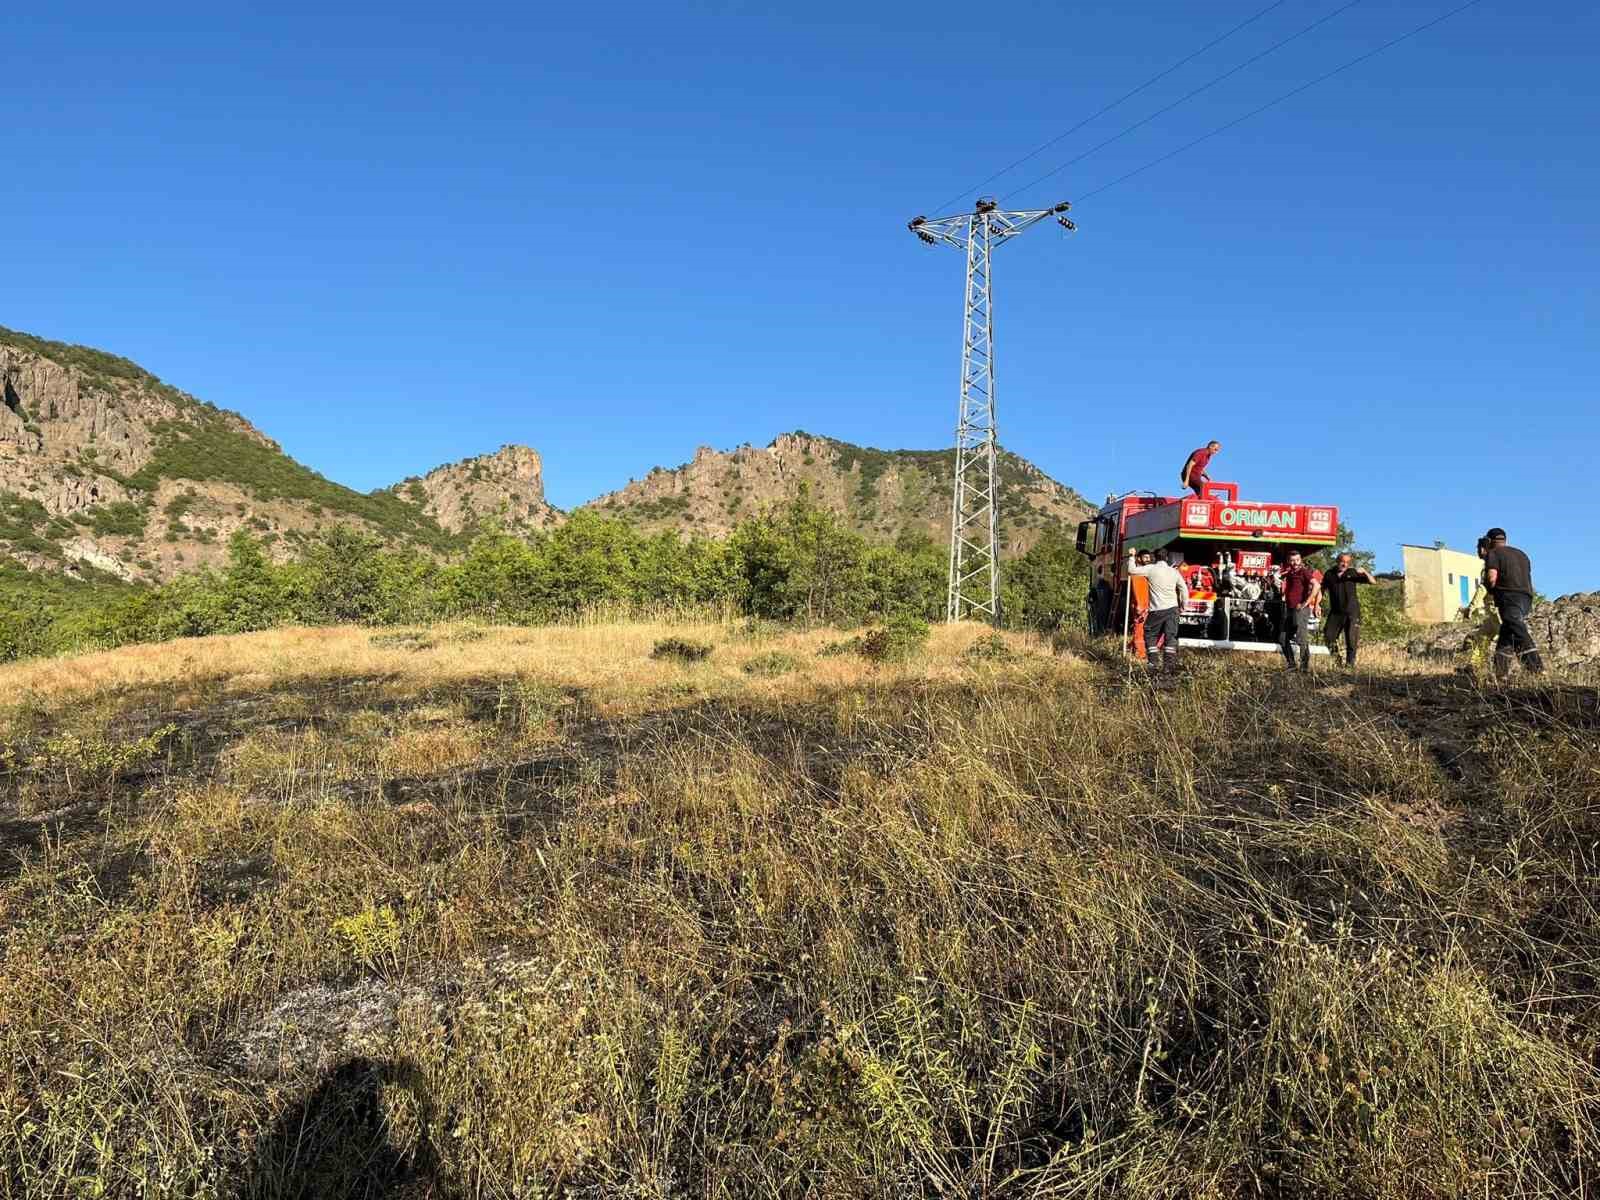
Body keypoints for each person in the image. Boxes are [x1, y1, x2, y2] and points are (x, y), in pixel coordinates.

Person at [1481, 527, 1545, 677]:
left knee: (1516, 627)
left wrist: (1490, 590)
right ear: (1505, 540)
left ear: (1489, 541)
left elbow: (1492, 577)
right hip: (1527, 597)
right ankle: (1500, 673)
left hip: (1508, 596)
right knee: (1507, 633)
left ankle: (1537, 668)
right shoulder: (1522, 554)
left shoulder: (1493, 553)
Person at [1126, 546, 1187, 675]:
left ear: (1154, 558)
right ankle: (1168, 666)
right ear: (1166, 558)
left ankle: (1153, 663)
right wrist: (1183, 604)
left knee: (1150, 634)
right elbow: (1183, 588)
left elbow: (1131, 571)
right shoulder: (1174, 572)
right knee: (1170, 636)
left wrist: (1132, 556)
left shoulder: (1150, 569)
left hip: (1157, 610)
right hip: (1172, 609)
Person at [1321, 553, 1376, 667]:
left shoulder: (1352, 573)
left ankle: (1350, 665)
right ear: (1337, 561)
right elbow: (1322, 589)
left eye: (1347, 562)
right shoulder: (1329, 574)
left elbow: (1372, 581)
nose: (1344, 564)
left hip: (1352, 612)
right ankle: (1337, 661)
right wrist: (1317, 605)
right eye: (1342, 561)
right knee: (1328, 636)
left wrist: (1364, 571)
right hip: (1336, 612)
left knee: (1351, 640)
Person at [1278, 550, 1320, 672]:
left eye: (1297, 560)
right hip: (1290, 609)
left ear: (1300, 560)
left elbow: (1316, 586)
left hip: (1301, 610)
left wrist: (1305, 603)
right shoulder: (1290, 573)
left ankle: (1304, 666)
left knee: (1301, 637)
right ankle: (1291, 664)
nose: (1295, 562)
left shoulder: (1304, 572)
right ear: (1288, 561)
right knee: (1282, 637)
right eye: (1292, 560)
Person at [1127, 550, 1152, 660]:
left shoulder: (1146, 571)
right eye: (1145, 557)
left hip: (1145, 605)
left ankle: (1132, 648)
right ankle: (1140, 654)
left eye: (1148, 557)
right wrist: (1140, 606)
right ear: (1139, 559)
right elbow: (1138, 591)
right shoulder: (1138, 573)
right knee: (1140, 630)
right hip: (1141, 606)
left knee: (1141, 630)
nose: (1148, 559)